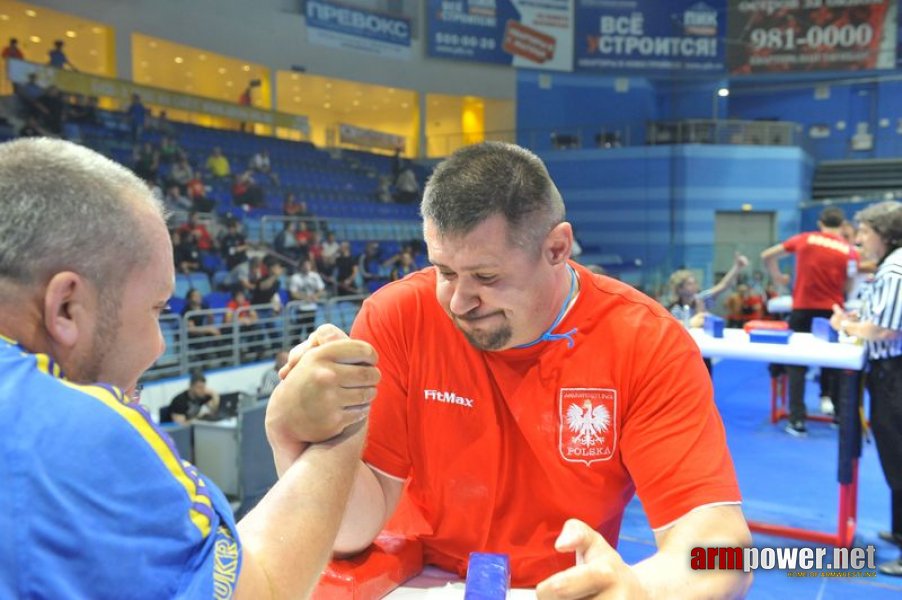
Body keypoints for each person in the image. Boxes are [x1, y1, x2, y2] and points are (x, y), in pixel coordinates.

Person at [280, 142, 751, 594]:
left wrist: (646, 591)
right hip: (412, 583)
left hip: (558, 590)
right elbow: (352, 530)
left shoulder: (646, 342)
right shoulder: (398, 316)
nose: (459, 302)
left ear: (557, 248)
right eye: (444, 271)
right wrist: (290, 433)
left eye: (486, 277)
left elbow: (725, 551)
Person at [0, 138, 379, 598]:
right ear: (66, 307)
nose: (160, 346)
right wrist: (348, 412)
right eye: (157, 309)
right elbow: (260, 590)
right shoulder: (70, 427)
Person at [829, 201, 902, 577]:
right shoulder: (891, 267)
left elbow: (886, 331)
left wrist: (848, 327)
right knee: (894, 454)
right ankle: (900, 530)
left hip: (894, 373)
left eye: (865, 232)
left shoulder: (894, 269)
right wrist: (858, 320)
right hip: (888, 371)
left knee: (899, 456)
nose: (859, 239)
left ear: (884, 234)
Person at [762, 206, 859, 435]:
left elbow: (767, 255)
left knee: (796, 363)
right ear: (842, 224)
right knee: (834, 363)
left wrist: (778, 276)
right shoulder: (850, 250)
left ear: (820, 222)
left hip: (803, 308)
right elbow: (851, 285)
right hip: (832, 311)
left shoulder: (805, 239)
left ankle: (797, 419)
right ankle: (837, 414)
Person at [666, 252, 749, 329]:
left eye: (695, 282)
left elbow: (723, 285)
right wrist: (699, 315)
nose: (694, 286)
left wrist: (737, 267)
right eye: (689, 284)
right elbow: (679, 328)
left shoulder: (701, 298)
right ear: (679, 289)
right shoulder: (675, 310)